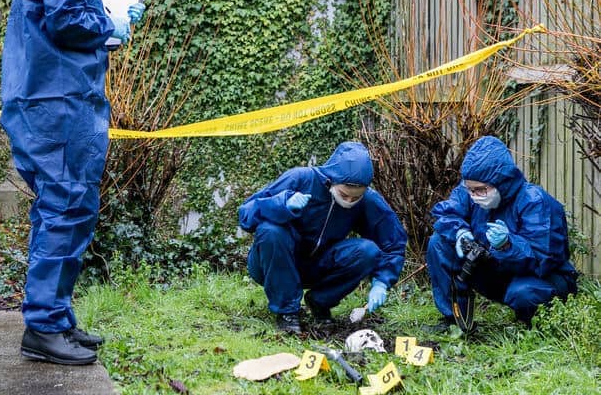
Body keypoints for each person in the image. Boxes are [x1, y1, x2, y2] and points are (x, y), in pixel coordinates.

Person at [0, 0, 144, 365]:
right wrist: (109, 23)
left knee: (70, 209)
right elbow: (67, 22)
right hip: (57, 105)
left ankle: (57, 317)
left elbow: (60, 28)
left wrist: (104, 27)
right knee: (65, 209)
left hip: (59, 100)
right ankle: (43, 327)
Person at [238, 142, 408, 334]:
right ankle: (287, 312)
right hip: (274, 264)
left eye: (356, 198)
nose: (349, 201)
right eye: (344, 194)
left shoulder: (368, 200)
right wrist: (282, 204)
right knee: (271, 230)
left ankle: (320, 302)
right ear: (331, 179)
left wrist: (382, 282)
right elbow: (246, 215)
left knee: (368, 251)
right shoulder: (300, 178)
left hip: (319, 267)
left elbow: (393, 241)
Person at [426, 136, 578, 331]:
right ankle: (455, 321)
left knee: (523, 293)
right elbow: (448, 213)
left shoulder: (535, 202)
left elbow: (544, 260)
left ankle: (537, 327)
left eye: (480, 190)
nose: (474, 196)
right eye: (470, 189)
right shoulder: (471, 190)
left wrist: (507, 245)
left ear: (501, 181)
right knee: (439, 242)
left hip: (541, 278)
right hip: (498, 271)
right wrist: (460, 232)